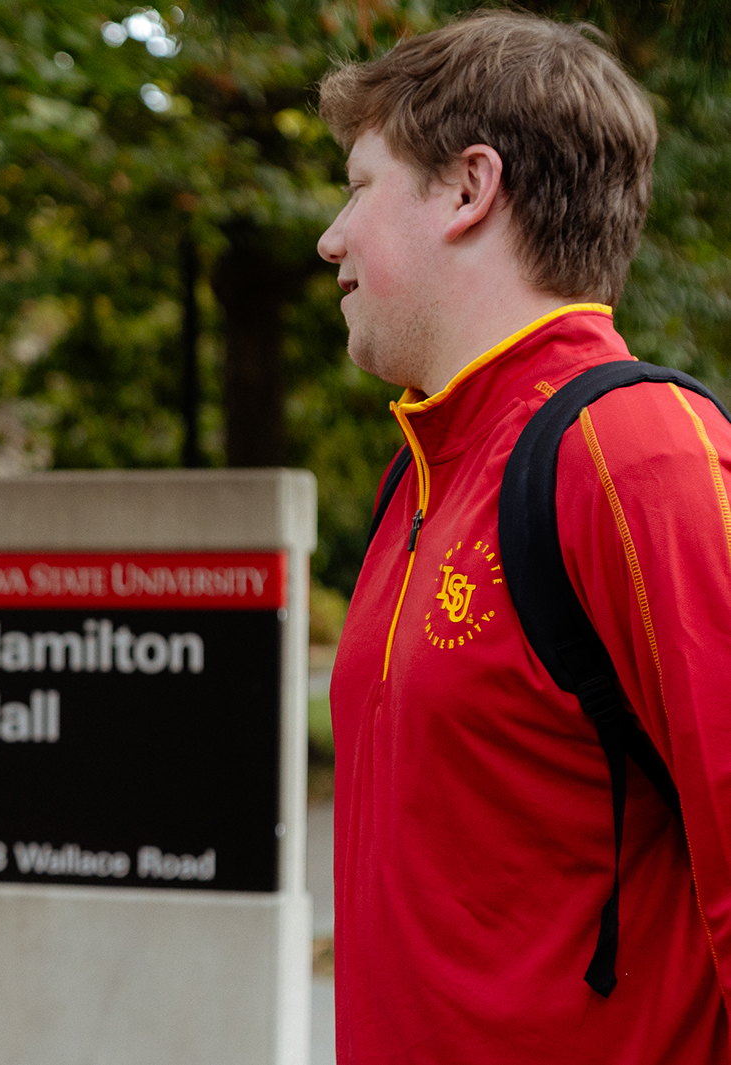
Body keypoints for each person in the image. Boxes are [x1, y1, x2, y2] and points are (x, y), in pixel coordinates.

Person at [317, 12, 731, 1062]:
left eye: (359, 186)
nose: (331, 236)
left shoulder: (639, 452)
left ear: (468, 189)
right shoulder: (418, 476)